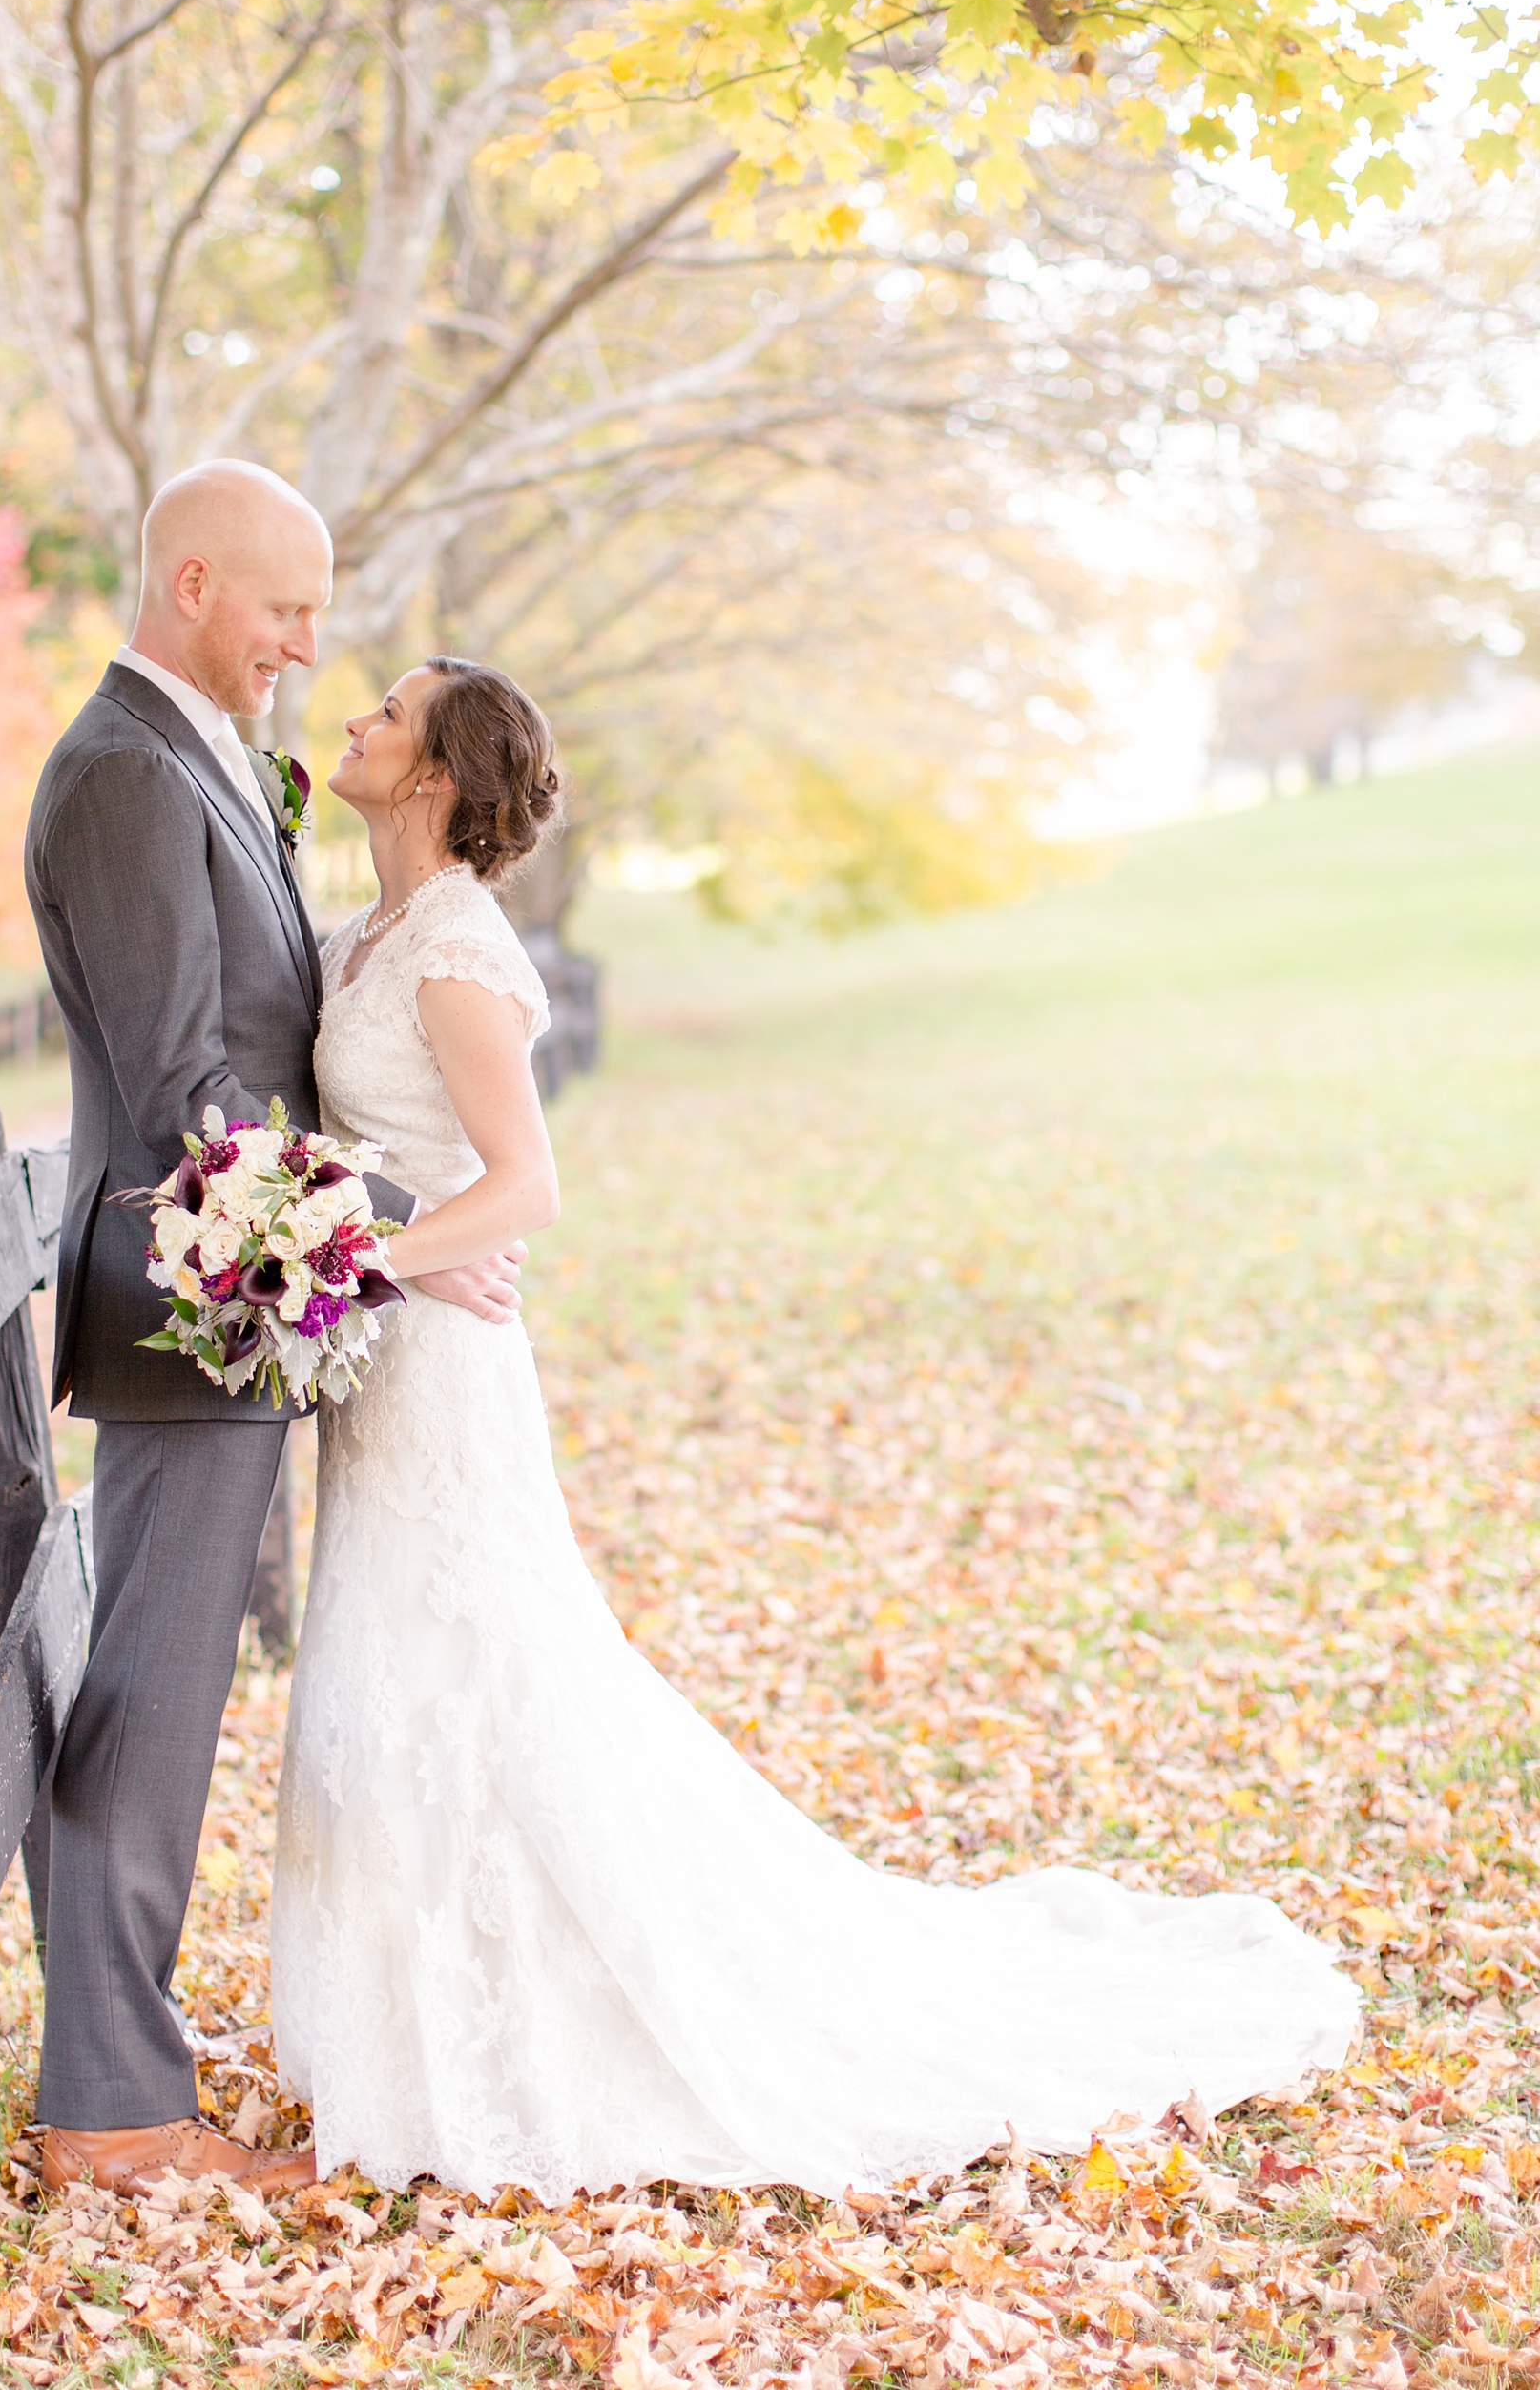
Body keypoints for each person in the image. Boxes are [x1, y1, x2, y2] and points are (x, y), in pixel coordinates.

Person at [269, 656, 1361, 2201]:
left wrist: (350, 1251)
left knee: (469, 1660)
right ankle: (420, 2006)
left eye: (390, 711)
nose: (359, 720)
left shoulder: (453, 948)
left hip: (442, 1362)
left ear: (438, 774)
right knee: (407, 1664)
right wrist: (325, 1211)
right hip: (390, 1354)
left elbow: (527, 1189)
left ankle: (522, 2013)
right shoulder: (366, 930)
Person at [23, 465, 521, 2198]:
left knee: (167, 1693)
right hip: (190, 1302)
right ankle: (110, 2112)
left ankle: (119, 2075)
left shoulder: (199, 761)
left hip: (238, 1303)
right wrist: (394, 1232)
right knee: (154, 1697)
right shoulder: (119, 777)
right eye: (285, 612)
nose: (310, 649)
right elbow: (187, 1094)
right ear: (188, 583)